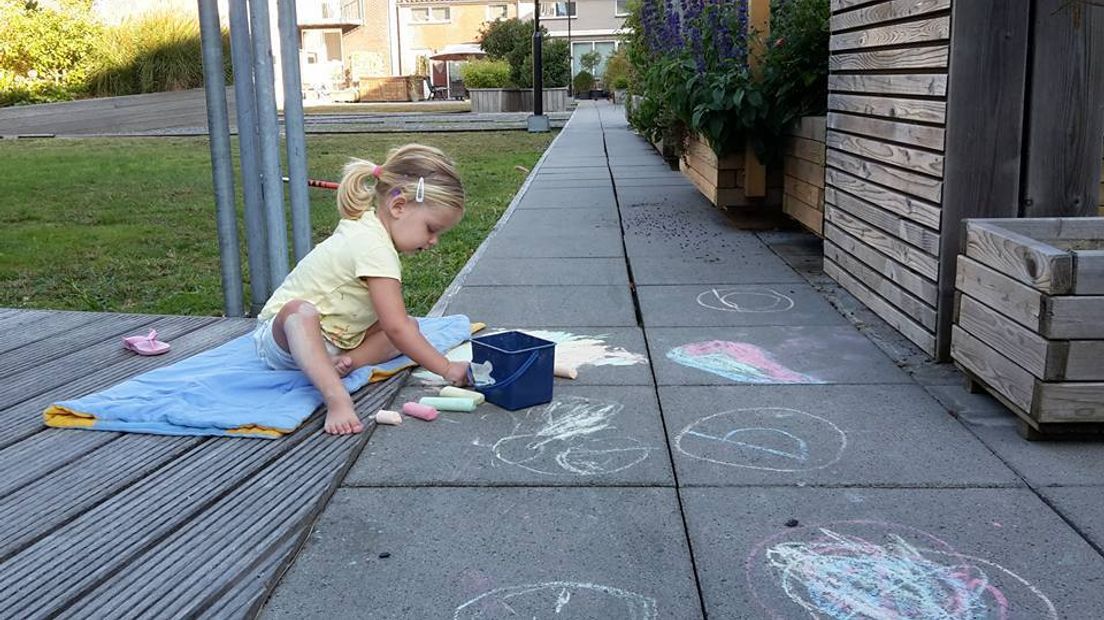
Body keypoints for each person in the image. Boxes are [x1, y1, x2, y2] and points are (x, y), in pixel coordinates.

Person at [252, 144, 471, 435]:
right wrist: (445, 368)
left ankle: (345, 362)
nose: (433, 241)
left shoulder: (374, 232)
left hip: (337, 336)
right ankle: (336, 396)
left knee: (410, 328)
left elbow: (398, 327)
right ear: (398, 206)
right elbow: (394, 327)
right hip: (285, 341)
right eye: (431, 228)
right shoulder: (372, 246)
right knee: (300, 312)